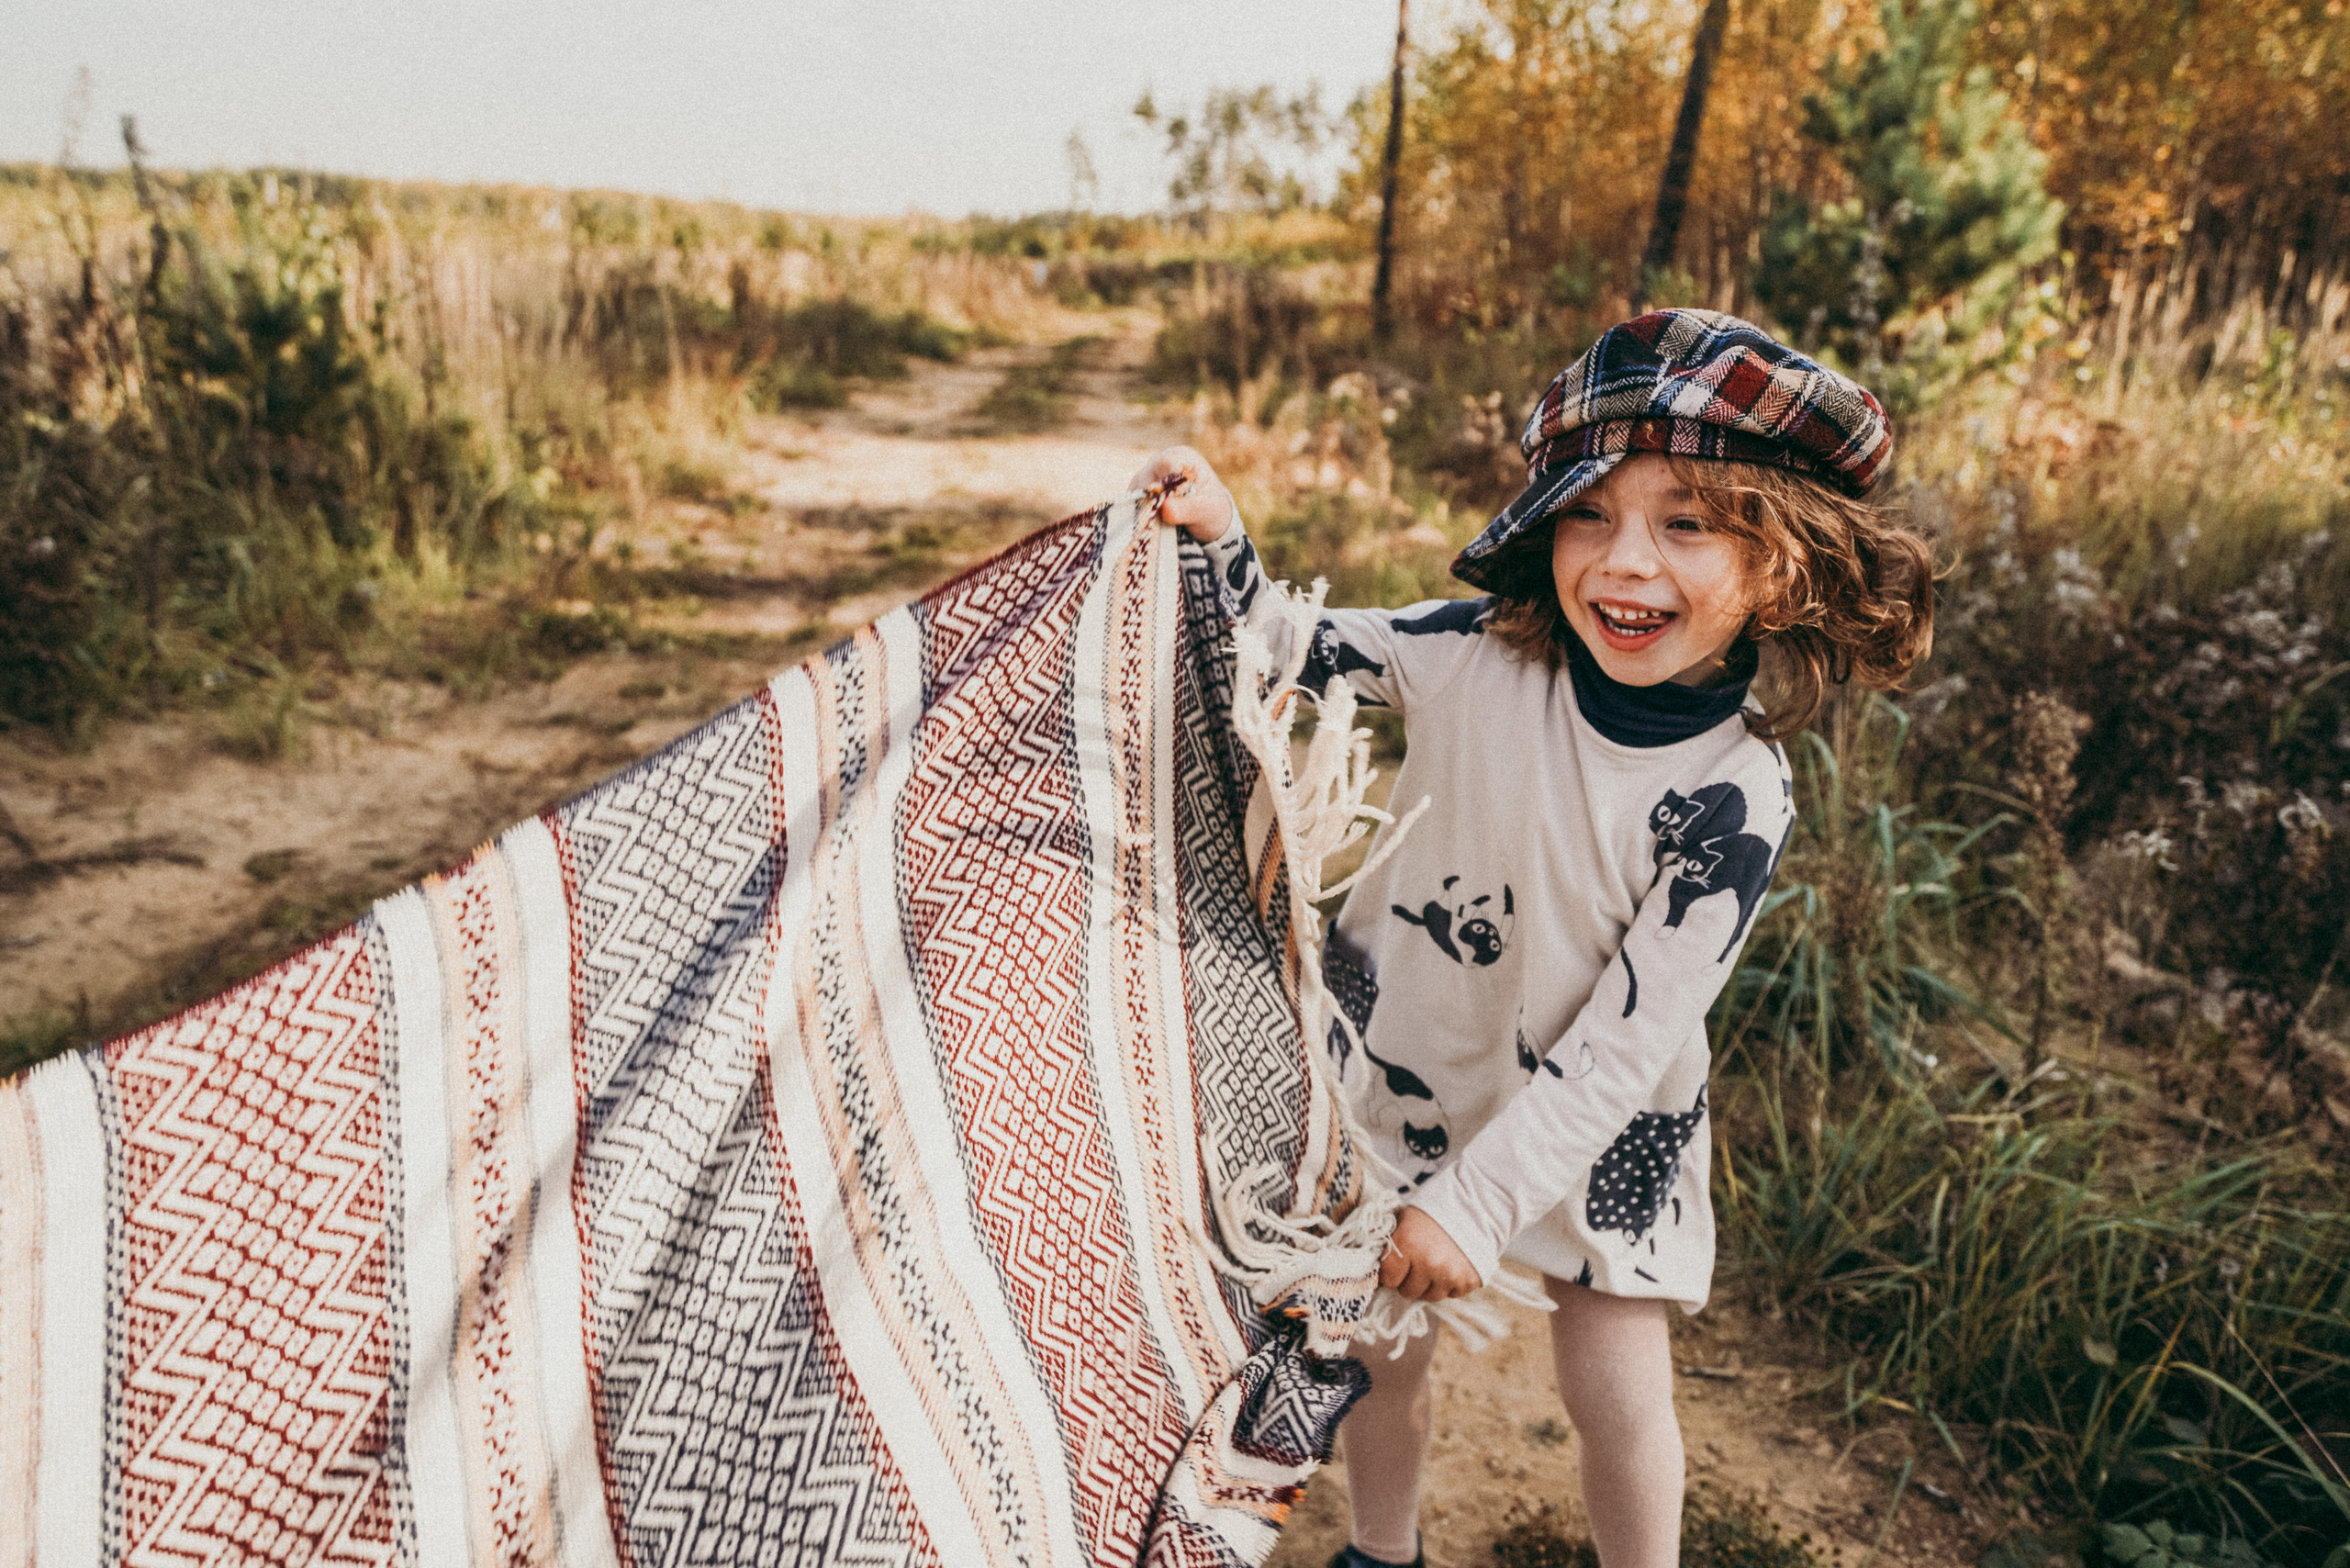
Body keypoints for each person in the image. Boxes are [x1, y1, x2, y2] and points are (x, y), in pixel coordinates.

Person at [1134, 309, 1935, 1568]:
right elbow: (1278, 651)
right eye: (1589, 514)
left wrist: (1487, 1203)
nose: (1624, 565)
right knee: (1378, 1356)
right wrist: (1227, 540)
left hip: (1605, 1129)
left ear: (1784, 566)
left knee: (1616, 1395)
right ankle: (1380, 1551)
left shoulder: (1735, 796)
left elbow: (1630, 1044)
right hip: (1413, 1070)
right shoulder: (1474, 658)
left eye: (1687, 524)